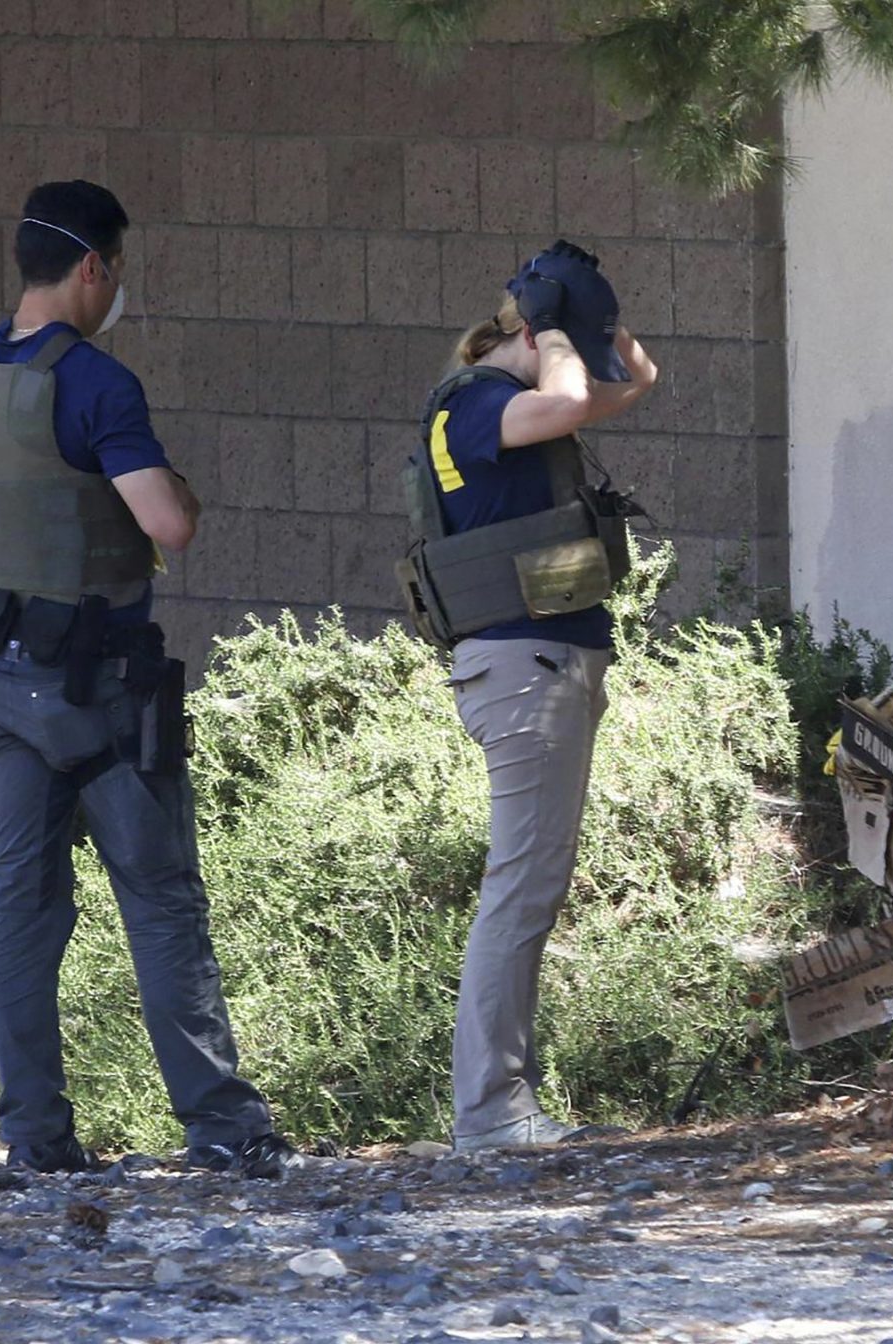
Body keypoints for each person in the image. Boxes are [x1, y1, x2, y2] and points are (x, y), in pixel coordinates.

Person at [0, 180, 289, 1177]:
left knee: (22, 902)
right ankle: (226, 1134)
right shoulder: (98, 385)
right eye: (119, 272)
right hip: (99, 691)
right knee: (159, 899)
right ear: (93, 267)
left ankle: (37, 1141)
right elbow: (170, 525)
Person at [401, 240, 658, 1151]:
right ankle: (493, 1110)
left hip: (545, 662)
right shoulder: (477, 405)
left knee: (531, 883)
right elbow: (572, 397)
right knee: (520, 888)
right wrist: (555, 329)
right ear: (537, 337)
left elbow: (635, 380)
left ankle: (504, 1101)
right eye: (566, 345)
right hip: (523, 669)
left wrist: (592, 325)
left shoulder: (520, 402)